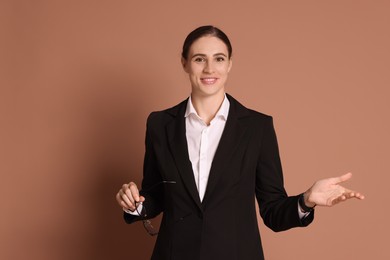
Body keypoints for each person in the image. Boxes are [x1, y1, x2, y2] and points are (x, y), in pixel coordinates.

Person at [116, 25, 364, 260]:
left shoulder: (257, 127)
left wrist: (307, 200)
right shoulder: (160, 124)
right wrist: (134, 203)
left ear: (230, 64)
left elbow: (272, 211)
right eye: (199, 59)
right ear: (184, 63)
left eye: (219, 58)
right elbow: (155, 195)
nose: (210, 68)